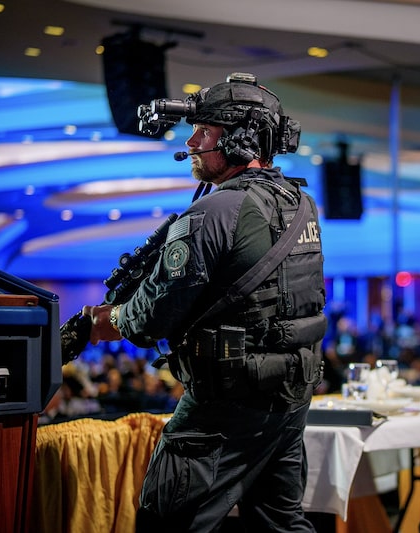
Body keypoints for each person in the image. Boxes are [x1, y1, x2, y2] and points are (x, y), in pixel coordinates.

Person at [82, 73, 327, 531]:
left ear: (240, 139)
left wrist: (105, 320)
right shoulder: (302, 205)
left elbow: (149, 318)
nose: (192, 141)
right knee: (280, 523)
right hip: (289, 398)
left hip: (223, 406)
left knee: (166, 523)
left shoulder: (213, 213)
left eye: (206, 131)